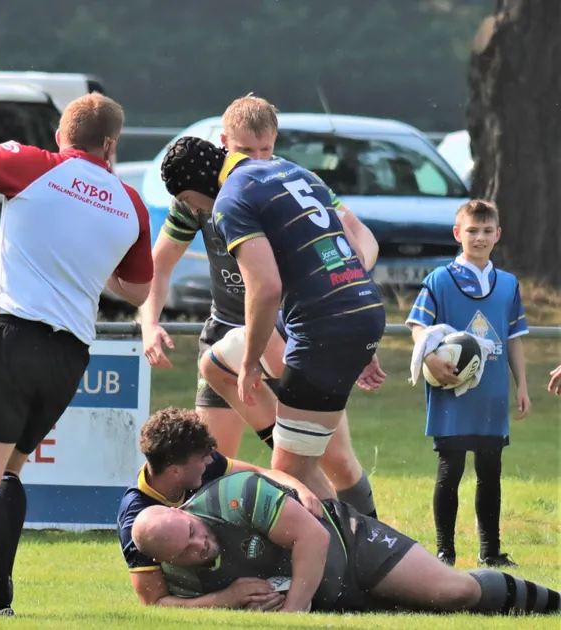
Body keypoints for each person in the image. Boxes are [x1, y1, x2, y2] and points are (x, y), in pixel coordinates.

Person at [0, 93, 154, 616]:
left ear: (60, 136)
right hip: (69, 353)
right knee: (10, 471)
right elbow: (137, 291)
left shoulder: (31, 166)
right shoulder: (129, 203)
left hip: (12, 333)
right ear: (111, 145)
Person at [141, 96, 381, 518]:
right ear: (223, 144)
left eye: (265, 149)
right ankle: (219, 551)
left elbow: (274, 283)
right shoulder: (200, 200)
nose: (258, 158)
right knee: (209, 454)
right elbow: (158, 267)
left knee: (317, 466)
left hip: (289, 330)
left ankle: (361, 550)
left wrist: (342, 301)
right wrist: (150, 324)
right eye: (246, 150)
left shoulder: (263, 186)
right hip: (239, 327)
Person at [131, 470, 560, 615]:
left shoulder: (234, 495)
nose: (197, 548)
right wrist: (227, 596)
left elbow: (312, 537)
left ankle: (553, 603)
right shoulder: (173, 569)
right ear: (163, 560)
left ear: (183, 511)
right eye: (183, 553)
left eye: (192, 534)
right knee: (412, 608)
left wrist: (293, 613)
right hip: (329, 595)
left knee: (456, 592)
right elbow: (163, 606)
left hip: (351, 546)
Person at [405, 199, 530, 568]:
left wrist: (521, 385)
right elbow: (417, 326)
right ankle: (445, 552)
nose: (479, 237)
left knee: (490, 474)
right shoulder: (439, 280)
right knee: (451, 471)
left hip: (491, 395)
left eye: (487, 231)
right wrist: (428, 356)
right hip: (452, 392)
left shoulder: (507, 284)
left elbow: (514, 338)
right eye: (472, 231)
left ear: (498, 236)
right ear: (458, 234)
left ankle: (490, 552)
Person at [117, 407, 325, 609]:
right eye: (202, 458)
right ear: (175, 472)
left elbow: (260, 472)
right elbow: (155, 601)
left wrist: (301, 489)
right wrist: (226, 598)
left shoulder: (200, 465)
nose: (209, 460)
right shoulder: (136, 524)